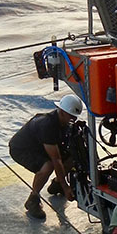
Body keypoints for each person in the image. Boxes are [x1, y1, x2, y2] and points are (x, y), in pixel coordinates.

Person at [8, 93, 83, 221]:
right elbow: (56, 159)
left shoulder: (64, 123)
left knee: (72, 157)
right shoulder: (47, 125)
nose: (73, 120)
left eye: (74, 117)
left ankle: (56, 184)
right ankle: (33, 199)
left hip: (40, 146)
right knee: (47, 166)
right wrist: (66, 187)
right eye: (71, 116)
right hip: (21, 149)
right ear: (62, 112)